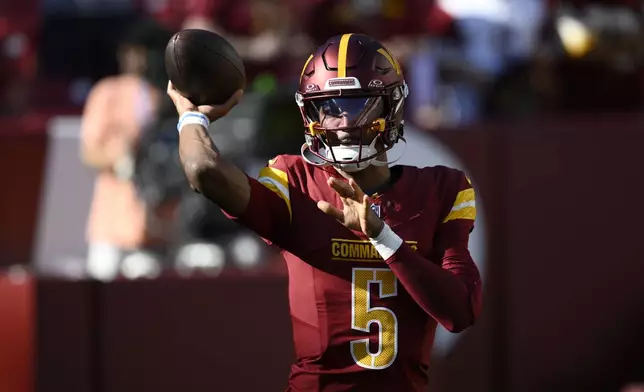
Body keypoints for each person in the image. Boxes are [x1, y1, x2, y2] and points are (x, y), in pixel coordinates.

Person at [167, 33, 482, 391]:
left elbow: (460, 311)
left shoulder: (443, 189)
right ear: (310, 113)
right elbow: (203, 171)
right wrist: (191, 119)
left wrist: (382, 235)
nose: (344, 122)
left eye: (359, 104)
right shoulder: (295, 181)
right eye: (329, 108)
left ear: (390, 107)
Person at [80, 19, 173, 281]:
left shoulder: (169, 96)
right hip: (112, 223)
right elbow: (89, 152)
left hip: (155, 229)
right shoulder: (107, 93)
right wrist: (122, 158)